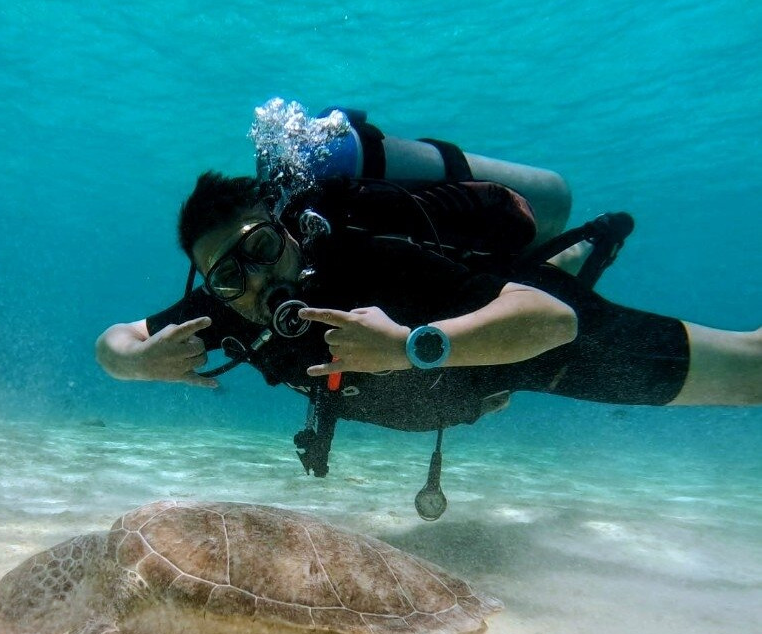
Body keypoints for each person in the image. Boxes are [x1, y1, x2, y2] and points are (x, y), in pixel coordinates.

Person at [95, 116, 761, 515]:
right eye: (229, 276)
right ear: (213, 286)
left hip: (522, 346)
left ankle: (592, 241)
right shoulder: (228, 310)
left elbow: (553, 321)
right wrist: (138, 361)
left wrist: (412, 346)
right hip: (464, 388)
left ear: (288, 230)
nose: (257, 281)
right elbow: (112, 342)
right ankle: (582, 246)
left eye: (263, 249)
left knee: (751, 374)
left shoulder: (366, 255)